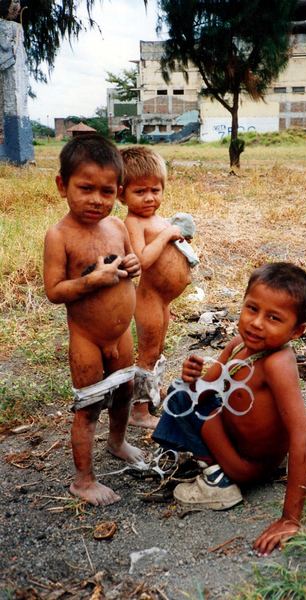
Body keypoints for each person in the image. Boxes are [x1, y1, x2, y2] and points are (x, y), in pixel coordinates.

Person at [153, 262, 306, 555]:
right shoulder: (239, 345)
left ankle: (217, 479)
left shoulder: (278, 363)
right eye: (252, 309)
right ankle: (214, 463)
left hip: (247, 466)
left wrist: (290, 519)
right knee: (180, 392)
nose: (256, 323)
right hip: (235, 440)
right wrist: (190, 377)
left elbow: (302, 436)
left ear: (297, 331)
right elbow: (202, 391)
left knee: (183, 402)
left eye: (274, 318)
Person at [43, 133, 143, 506]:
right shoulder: (60, 235)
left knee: (126, 391)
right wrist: (90, 281)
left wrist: (132, 265)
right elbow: (54, 291)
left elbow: (132, 264)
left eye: (106, 191)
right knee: (88, 407)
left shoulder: (117, 228)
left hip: (121, 334)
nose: (96, 200)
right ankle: (83, 480)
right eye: (85, 188)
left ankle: (117, 442)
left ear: (118, 191)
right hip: (86, 336)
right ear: (62, 185)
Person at [120, 146, 199, 429]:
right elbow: (141, 260)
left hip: (164, 301)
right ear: (121, 194)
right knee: (147, 353)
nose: (150, 198)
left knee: (158, 349)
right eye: (140, 192)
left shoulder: (156, 219)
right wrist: (167, 234)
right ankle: (139, 412)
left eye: (155, 190)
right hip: (149, 299)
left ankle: (152, 393)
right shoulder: (132, 222)